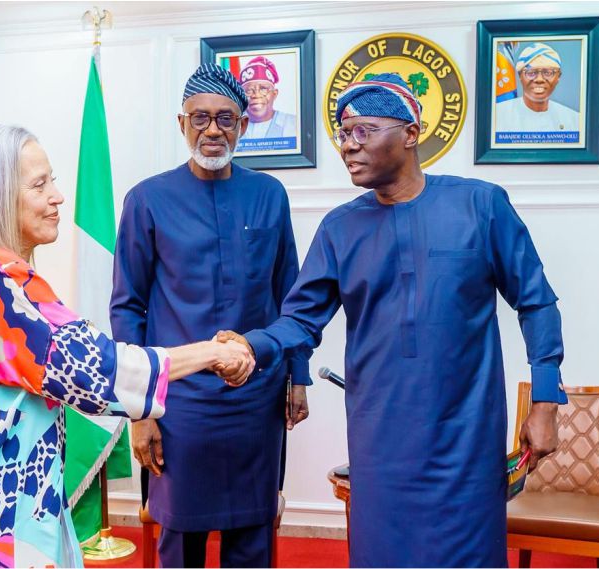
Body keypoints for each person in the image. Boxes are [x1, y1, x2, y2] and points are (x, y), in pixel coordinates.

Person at [216, 73, 568, 567]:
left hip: (466, 435)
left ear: (409, 133)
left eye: (363, 131)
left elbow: (536, 301)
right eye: (343, 134)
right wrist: (250, 347)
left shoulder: (480, 205)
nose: (347, 146)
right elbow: (299, 320)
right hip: (380, 439)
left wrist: (546, 400)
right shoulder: (340, 227)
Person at [0, 124, 254, 569]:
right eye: (39, 185)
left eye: (52, 180)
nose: (57, 197)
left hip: (10, 517)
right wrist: (212, 352)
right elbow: (99, 371)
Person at [110, 63, 310, 568]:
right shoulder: (147, 200)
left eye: (225, 118)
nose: (213, 130)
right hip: (177, 406)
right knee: (179, 539)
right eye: (200, 118)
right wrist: (139, 411)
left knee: (253, 533)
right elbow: (128, 307)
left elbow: (291, 295)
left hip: (257, 398)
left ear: (243, 125)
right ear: (182, 125)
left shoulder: (269, 196)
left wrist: (299, 376)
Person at [495, 42, 580, 135]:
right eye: (531, 73)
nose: (539, 79)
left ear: (558, 77)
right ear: (520, 76)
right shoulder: (496, 116)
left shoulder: (575, 121)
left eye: (548, 73)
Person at [238, 56, 297, 141]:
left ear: (274, 94)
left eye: (263, 89)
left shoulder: (293, 124)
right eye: (249, 90)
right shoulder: (232, 126)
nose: (256, 95)